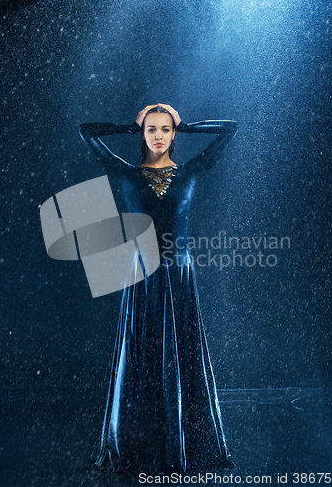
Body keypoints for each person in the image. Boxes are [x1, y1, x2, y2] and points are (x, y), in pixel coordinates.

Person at [79, 104, 237, 475]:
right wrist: (127, 125)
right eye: (151, 129)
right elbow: (86, 130)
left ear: (174, 134)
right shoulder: (126, 172)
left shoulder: (191, 171)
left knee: (180, 356)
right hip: (142, 276)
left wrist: (188, 124)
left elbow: (229, 128)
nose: (159, 135)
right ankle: (139, 444)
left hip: (179, 275)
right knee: (144, 359)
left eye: (166, 129)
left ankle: (183, 442)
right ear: (143, 133)